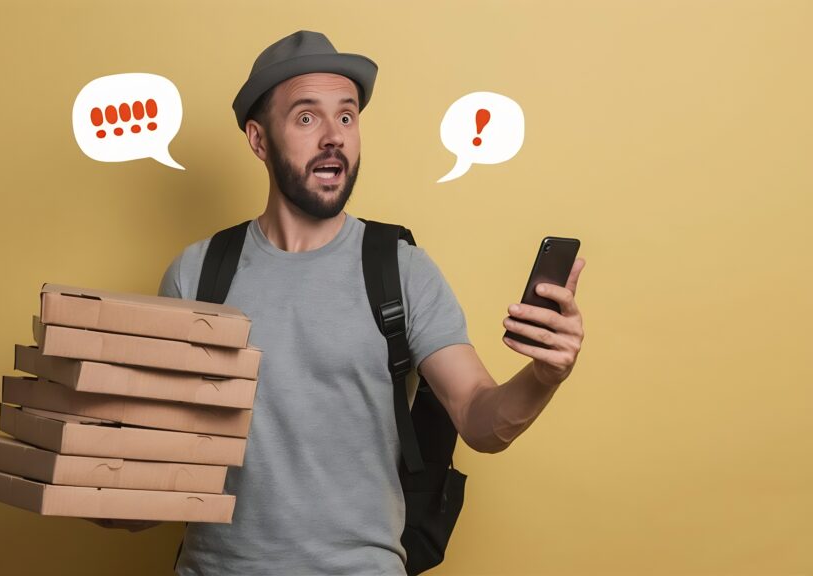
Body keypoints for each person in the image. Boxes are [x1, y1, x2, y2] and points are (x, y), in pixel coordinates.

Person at [95, 30, 587, 575]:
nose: (334, 137)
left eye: (347, 117)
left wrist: (545, 375)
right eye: (307, 117)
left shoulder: (401, 269)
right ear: (259, 140)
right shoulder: (196, 274)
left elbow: (478, 418)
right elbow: (155, 472)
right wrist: (94, 483)